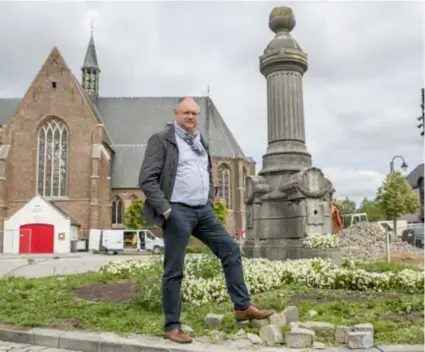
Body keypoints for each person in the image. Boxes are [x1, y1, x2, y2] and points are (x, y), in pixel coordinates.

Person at [138, 97, 274, 344]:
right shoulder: (162, 140)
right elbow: (147, 179)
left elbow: (206, 172)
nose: (190, 117)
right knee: (174, 270)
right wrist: (167, 211)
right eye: (186, 112)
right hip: (178, 210)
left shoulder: (200, 141)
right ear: (176, 113)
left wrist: (209, 198)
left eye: (194, 113)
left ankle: (242, 306)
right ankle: (172, 326)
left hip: (203, 211)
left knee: (231, 249)